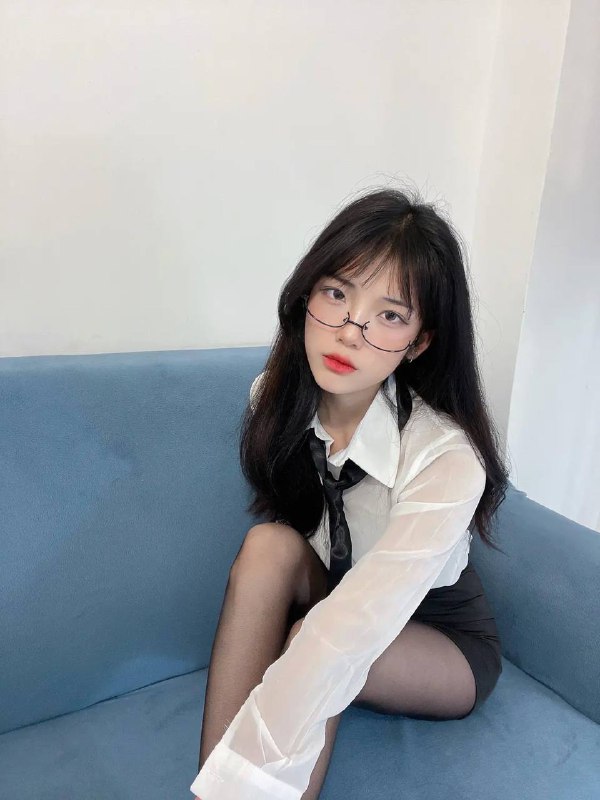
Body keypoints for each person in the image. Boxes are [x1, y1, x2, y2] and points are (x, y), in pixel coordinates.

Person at [190, 186, 509, 800]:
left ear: (419, 342)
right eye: (336, 294)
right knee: (267, 546)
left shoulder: (445, 457)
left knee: (313, 641)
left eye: (389, 315)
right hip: (338, 596)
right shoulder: (274, 399)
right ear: (306, 296)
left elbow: (353, 624)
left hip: (441, 640)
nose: (348, 332)